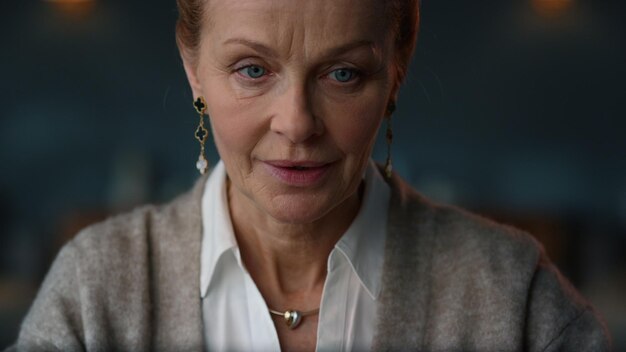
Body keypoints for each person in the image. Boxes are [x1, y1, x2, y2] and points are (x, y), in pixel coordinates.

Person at [10, 0, 611, 351]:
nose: (296, 124)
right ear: (193, 68)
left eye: (343, 74)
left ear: (397, 67)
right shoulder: (94, 295)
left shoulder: (514, 298)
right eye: (251, 69)